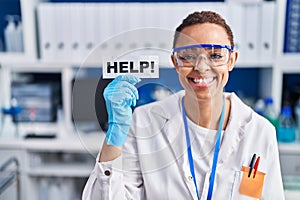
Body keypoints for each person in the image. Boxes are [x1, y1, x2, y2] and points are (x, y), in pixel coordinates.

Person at [82, 11, 285, 199]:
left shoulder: (259, 131)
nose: (202, 67)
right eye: (188, 56)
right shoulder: (144, 121)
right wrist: (115, 137)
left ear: (231, 60)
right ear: (175, 61)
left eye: (215, 55)